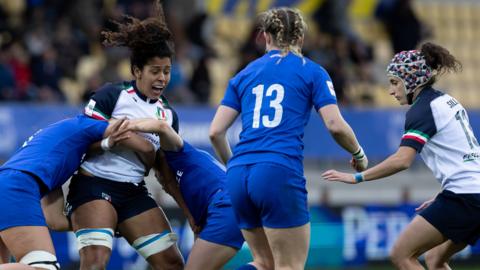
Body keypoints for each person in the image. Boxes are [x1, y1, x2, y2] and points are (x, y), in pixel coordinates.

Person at [209, 7, 368, 270]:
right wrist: (359, 155)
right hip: (277, 170)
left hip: (239, 173)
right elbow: (335, 125)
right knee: (289, 266)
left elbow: (215, 132)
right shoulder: (312, 71)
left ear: (265, 37)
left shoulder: (244, 74)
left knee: (263, 263)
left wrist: (234, 166)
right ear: (301, 38)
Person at [322, 42, 480, 270]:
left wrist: (357, 178)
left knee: (400, 254)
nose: (391, 90)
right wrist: (444, 194)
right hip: (470, 193)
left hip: (464, 197)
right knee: (435, 260)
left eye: (395, 83)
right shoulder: (447, 101)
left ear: (412, 80)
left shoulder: (422, 109)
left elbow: (402, 160)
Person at [65, 1, 184, 269]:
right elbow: (80, 143)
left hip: (133, 192)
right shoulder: (111, 95)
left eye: (167, 71)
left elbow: (164, 173)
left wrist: (190, 213)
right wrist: (110, 142)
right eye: (155, 71)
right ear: (137, 71)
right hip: (94, 184)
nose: (162, 78)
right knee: (96, 262)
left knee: (173, 263)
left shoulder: (168, 117)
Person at [0, 116, 141, 270]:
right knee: (44, 267)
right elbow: (129, 130)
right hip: (16, 187)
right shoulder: (86, 123)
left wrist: (105, 224)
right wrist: (163, 128)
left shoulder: (53, 161)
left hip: (9, 185)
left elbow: (56, 221)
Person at [128, 118, 245, 270]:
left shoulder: (177, 152)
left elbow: (161, 126)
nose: (159, 177)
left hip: (228, 206)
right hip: (231, 207)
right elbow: (198, 229)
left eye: (158, 171)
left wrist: (122, 125)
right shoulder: (193, 193)